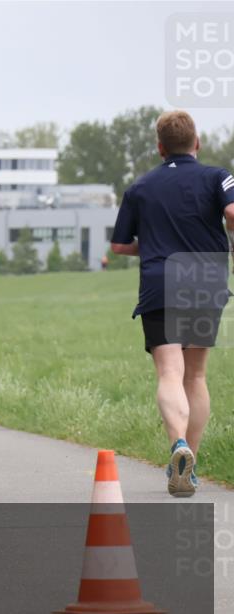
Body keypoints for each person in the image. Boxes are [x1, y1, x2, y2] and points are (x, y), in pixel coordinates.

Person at [109, 110, 234, 498]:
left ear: (160, 147)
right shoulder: (219, 177)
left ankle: (177, 445)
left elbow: (118, 245)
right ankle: (189, 463)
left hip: (162, 281)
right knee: (195, 376)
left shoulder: (140, 187)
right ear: (197, 143)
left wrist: (156, 242)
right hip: (206, 278)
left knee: (169, 372)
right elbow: (231, 213)